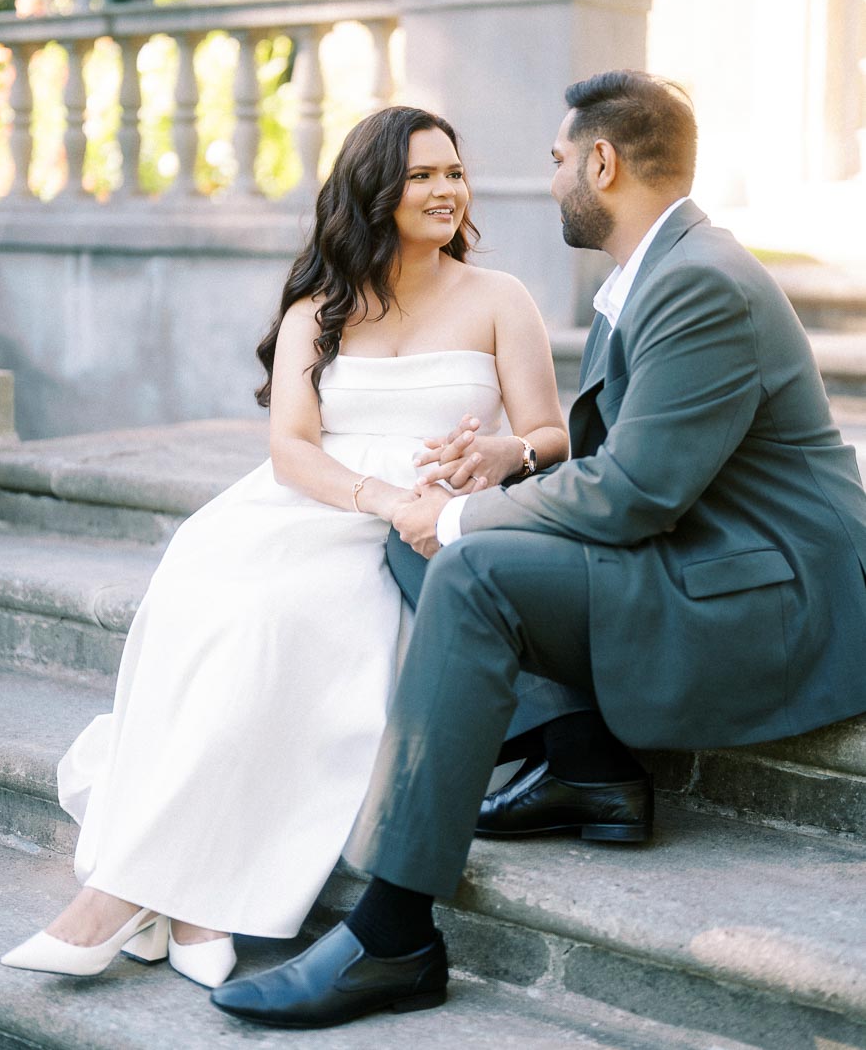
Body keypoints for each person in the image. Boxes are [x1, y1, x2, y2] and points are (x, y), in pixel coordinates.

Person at [211, 69, 866, 1030]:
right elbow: (625, 458)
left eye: (559, 158)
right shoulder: (651, 270)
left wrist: (463, 517)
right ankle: (585, 761)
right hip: (703, 549)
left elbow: (635, 493)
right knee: (426, 538)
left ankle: (393, 934)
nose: (548, 173)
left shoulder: (700, 283)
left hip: (770, 591)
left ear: (601, 162)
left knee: (465, 553)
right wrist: (507, 458)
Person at [0, 105, 571, 988]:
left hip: (419, 530)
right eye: (420, 175)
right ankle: (185, 908)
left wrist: (504, 453)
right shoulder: (321, 306)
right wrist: (376, 494)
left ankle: (119, 906)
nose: (444, 190)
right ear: (375, 190)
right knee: (206, 604)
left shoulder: (501, 299)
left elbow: (550, 434)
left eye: (453, 172)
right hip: (307, 504)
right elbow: (292, 447)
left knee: (281, 625)